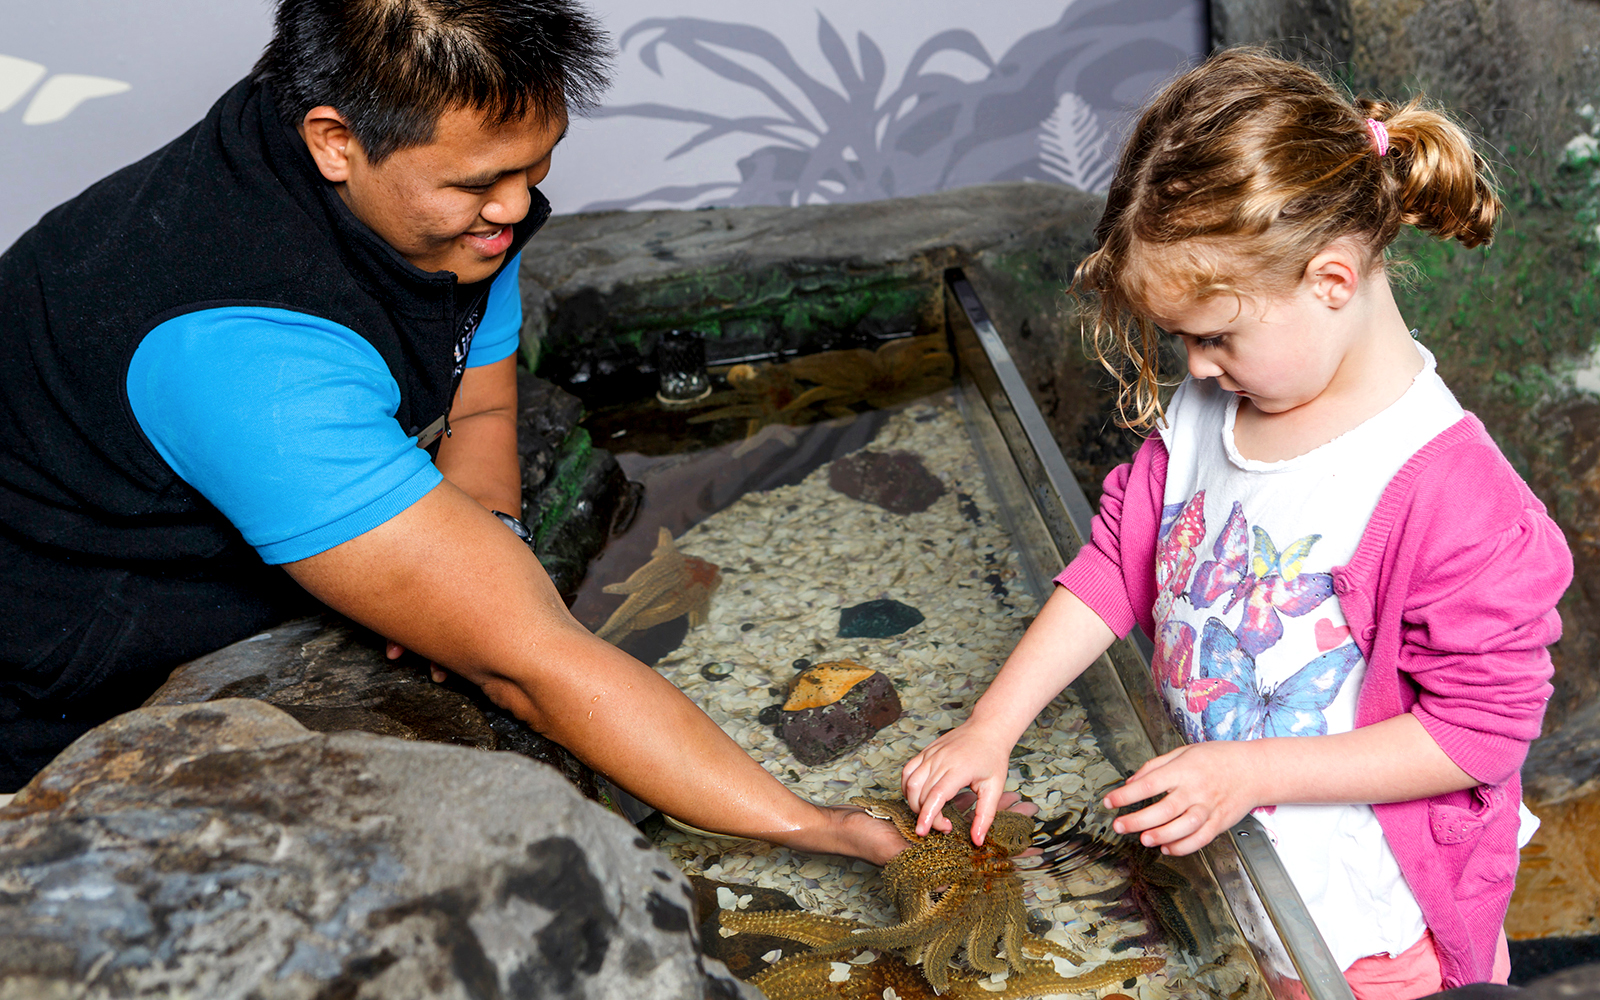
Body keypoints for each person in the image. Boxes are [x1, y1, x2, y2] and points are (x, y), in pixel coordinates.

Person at [0, 0, 908, 864]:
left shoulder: (412, 199)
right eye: (480, 184)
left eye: (536, 165)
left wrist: (469, 551)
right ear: (335, 141)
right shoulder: (247, 358)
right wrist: (817, 827)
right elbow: (533, 671)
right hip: (54, 684)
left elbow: (474, 395)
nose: (514, 210)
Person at [899, 48, 1572, 996]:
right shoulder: (1214, 409)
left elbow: (1476, 740)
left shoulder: (1452, 497)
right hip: (1232, 843)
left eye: (1215, 335)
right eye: (1182, 339)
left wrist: (1249, 772)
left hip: (1369, 925)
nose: (1198, 367)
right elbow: (1116, 564)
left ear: (1332, 281)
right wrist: (990, 726)